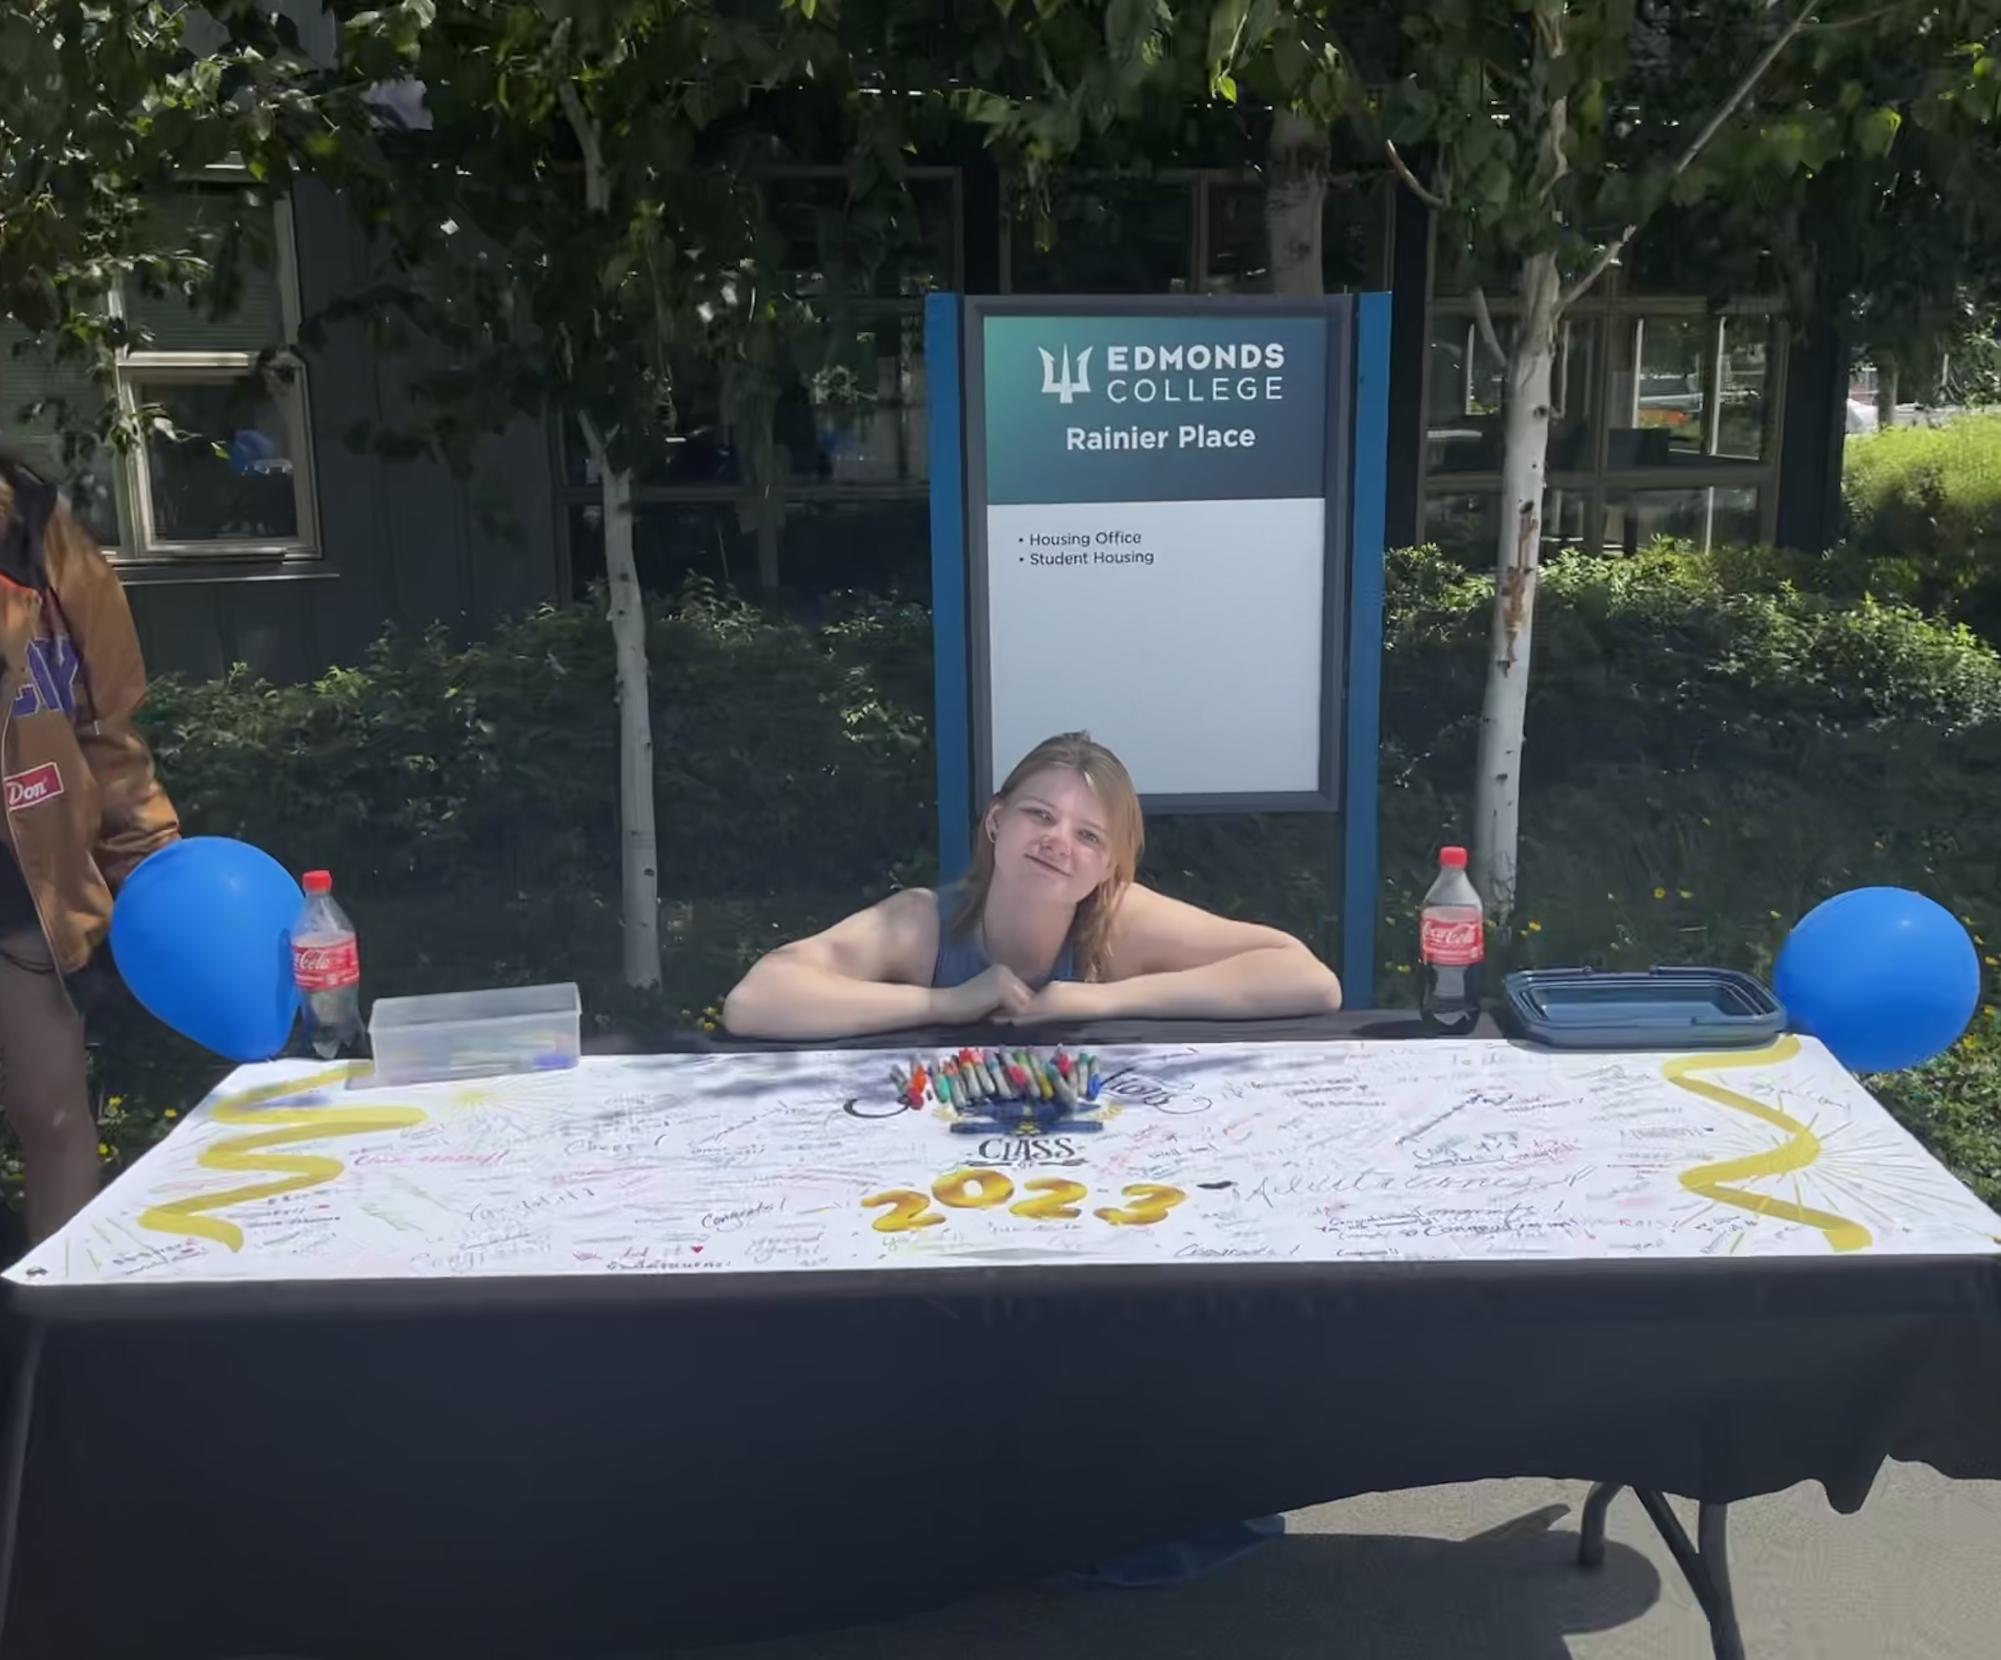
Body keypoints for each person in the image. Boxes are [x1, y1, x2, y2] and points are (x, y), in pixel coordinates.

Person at [723, 731, 1340, 1039]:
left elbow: (1308, 978)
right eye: (1040, 816)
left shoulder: (1121, 919)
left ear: (1107, 869)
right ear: (996, 821)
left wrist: (1102, 1000)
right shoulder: (923, 924)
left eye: (1088, 836)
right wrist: (946, 1003)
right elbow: (756, 999)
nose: (1057, 842)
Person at [0, 454, 179, 1240]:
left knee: (55, 1116)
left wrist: (149, 866)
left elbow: (108, 729)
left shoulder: (46, 539)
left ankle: (60, 1334)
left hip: (23, 891)